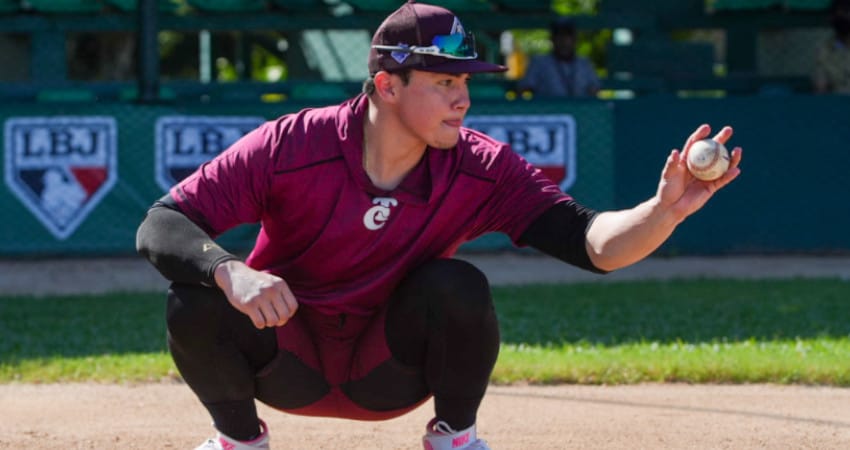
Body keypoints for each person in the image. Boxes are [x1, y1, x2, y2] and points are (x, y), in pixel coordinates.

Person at [135, 1, 742, 449]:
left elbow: (592, 246)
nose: (463, 99)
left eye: (465, 83)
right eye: (445, 82)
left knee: (459, 285)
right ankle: (240, 441)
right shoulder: (293, 144)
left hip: (386, 370)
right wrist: (230, 270)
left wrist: (664, 210)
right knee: (195, 296)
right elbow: (162, 224)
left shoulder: (480, 166)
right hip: (286, 360)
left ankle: (455, 437)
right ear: (386, 86)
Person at [517, 17, 600, 98]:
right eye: (559, 35)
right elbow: (523, 89)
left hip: (579, 110)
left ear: (574, 39)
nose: (563, 40)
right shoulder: (540, 63)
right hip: (549, 110)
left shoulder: (584, 63)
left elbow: (594, 90)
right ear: (552, 38)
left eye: (567, 35)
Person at [813, 0, 850, 94]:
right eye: (839, 15)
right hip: (838, 103)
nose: (843, 18)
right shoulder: (825, 50)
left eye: (846, 13)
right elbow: (820, 87)